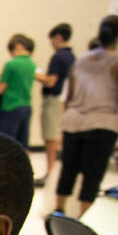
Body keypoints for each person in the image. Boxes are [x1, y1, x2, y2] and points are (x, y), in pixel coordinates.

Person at [56, 14, 118, 217]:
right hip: (102, 123)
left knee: (68, 170)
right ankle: (84, 218)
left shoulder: (80, 59)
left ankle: (59, 211)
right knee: (93, 175)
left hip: (73, 122)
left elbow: (69, 96)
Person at [38, 24, 76, 188]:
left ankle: (50, 174)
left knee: (50, 139)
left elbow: (51, 81)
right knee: (55, 137)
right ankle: (52, 173)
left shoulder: (59, 57)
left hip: (54, 99)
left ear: (58, 37)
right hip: (64, 100)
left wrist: (35, 74)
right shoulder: (71, 56)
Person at [0, 34, 38, 149]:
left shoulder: (11, 64)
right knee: (23, 143)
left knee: (6, 143)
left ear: (15, 48)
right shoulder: (32, 64)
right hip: (26, 105)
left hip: (11, 106)